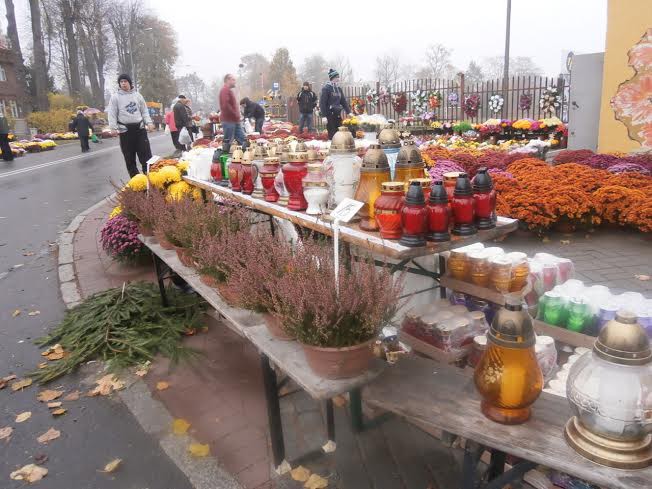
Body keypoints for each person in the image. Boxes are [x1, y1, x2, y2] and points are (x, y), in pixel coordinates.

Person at [107, 73, 154, 177]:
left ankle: (150, 178)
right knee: (129, 158)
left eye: (125, 81)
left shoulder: (138, 96)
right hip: (125, 131)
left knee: (146, 156)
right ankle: (136, 181)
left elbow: (144, 111)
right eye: (121, 82)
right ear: (119, 84)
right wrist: (113, 128)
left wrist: (149, 123)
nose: (123, 84)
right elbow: (112, 113)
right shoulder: (115, 98)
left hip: (140, 130)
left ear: (130, 83)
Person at [320, 68, 351, 139]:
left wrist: (348, 112)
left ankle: (339, 146)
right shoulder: (326, 89)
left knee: (339, 133)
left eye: (338, 77)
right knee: (332, 133)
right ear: (332, 78)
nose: (338, 79)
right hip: (329, 114)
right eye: (337, 77)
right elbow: (322, 103)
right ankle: (332, 147)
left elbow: (343, 101)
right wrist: (324, 116)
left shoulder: (339, 89)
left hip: (338, 113)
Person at [219, 74, 246, 151]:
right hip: (229, 120)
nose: (235, 82)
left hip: (234, 120)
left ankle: (246, 156)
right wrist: (234, 114)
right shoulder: (225, 90)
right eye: (233, 80)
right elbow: (225, 105)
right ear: (228, 80)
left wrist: (236, 116)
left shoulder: (228, 91)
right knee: (228, 141)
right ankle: (223, 159)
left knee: (243, 140)